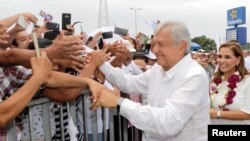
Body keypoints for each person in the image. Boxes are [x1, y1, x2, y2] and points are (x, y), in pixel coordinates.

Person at [91, 21, 209, 141]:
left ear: (181, 46)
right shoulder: (158, 69)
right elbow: (130, 83)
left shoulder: (194, 76)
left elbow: (169, 122)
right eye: (153, 44)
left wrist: (119, 102)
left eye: (161, 44)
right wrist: (102, 64)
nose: (155, 50)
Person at [209, 42, 250, 124]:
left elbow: (248, 113)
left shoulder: (247, 81)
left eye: (227, 57)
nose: (221, 60)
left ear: (238, 60)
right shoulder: (214, 80)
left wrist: (218, 114)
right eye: (219, 56)